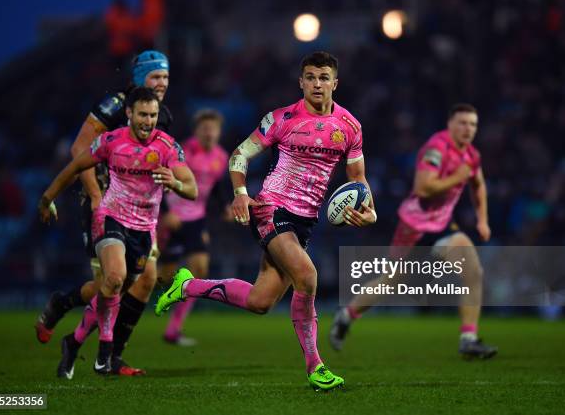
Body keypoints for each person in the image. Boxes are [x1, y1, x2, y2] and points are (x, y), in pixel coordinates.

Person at [155, 51, 377, 391]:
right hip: (272, 209)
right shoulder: (281, 119)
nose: (317, 84)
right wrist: (241, 193)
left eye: (324, 77)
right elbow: (240, 155)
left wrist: (370, 210)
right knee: (308, 277)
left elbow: (358, 179)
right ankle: (316, 366)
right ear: (301, 82)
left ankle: (186, 286)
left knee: (260, 301)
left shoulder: (349, 126)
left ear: (335, 82)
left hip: (305, 221)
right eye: (311, 77)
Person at [38, 87, 197, 379]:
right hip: (111, 218)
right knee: (114, 278)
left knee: (113, 289)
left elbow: (192, 189)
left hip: (144, 229)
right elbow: (75, 165)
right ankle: (104, 355)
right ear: (129, 114)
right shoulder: (110, 141)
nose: (148, 121)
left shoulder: (167, 147)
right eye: (142, 115)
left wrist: (174, 183)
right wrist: (47, 198)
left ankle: (73, 343)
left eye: (152, 115)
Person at [330, 103, 498, 360]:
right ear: (450, 124)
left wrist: (483, 221)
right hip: (414, 228)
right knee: (391, 282)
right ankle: (346, 315)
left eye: (473, 124)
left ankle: (468, 339)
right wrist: (458, 177)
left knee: (473, 271)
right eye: (463, 123)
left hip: (442, 226)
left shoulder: (472, 155)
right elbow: (423, 188)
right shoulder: (436, 149)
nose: (468, 129)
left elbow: (478, 184)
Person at [160, 109, 232, 346]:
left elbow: (216, 188)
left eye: (213, 128)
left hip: (196, 218)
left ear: (219, 132)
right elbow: (162, 180)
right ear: (197, 130)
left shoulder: (221, 157)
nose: (209, 132)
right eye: (205, 128)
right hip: (172, 217)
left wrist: (225, 208)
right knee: (160, 277)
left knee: (199, 269)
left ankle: (173, 329)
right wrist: (165, 212)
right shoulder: (183, 151)